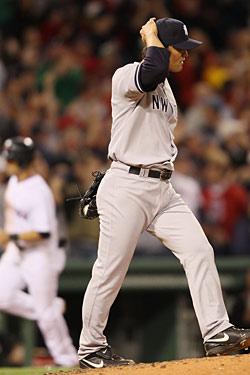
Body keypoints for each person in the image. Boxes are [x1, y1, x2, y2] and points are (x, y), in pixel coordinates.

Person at [78, 17, 250, 369]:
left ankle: (217, 331)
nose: (186, 56)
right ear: (159, 46)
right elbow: (150, 70)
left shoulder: (167, 87)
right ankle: (91, 348)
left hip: (162, 189)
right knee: (110, 271)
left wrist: (160, 43)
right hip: (127, 184)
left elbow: (158, 80)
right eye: (181, 49)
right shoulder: (127, 74)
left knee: (200, 250)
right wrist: (151, 35)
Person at [0, 137, 78, 367]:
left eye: (10, 159)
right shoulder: (14, 182)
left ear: (21, 161)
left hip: (41, 254)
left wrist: (10, 236)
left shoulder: (39, 189)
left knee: (46, 317)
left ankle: (68, 360)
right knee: (2, 296)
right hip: (18, 251)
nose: (7, 163)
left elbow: (43, 232)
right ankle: (49, 308)